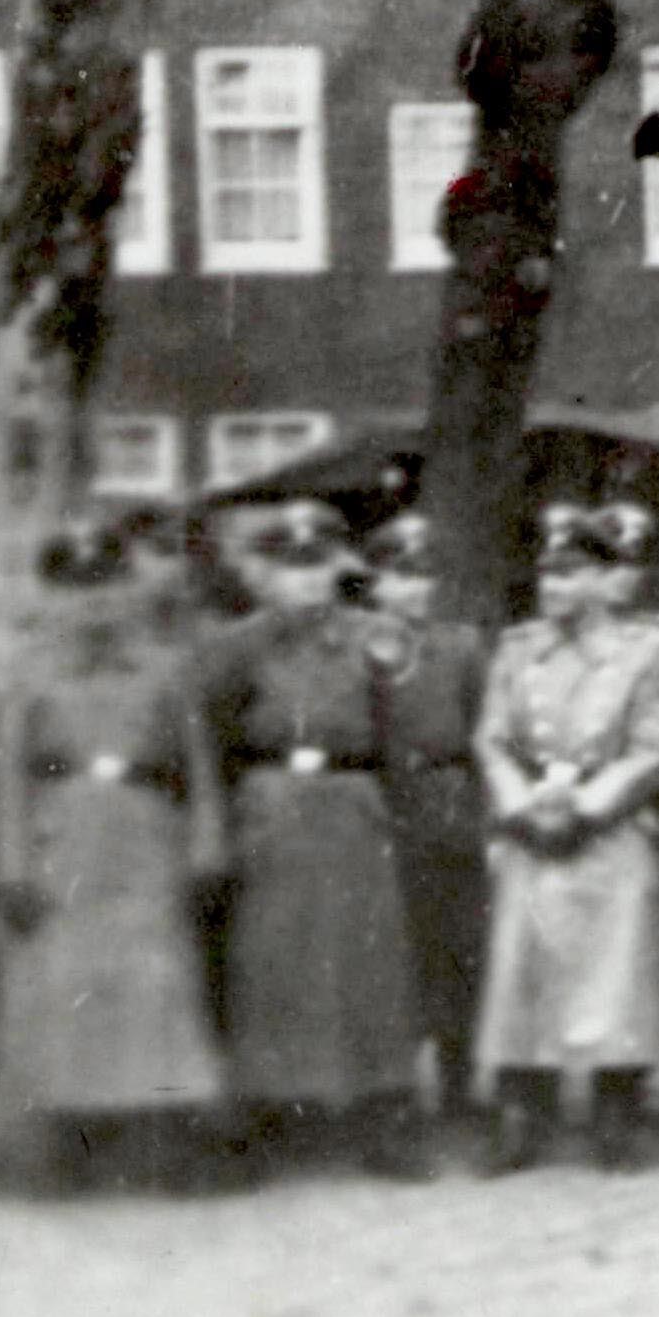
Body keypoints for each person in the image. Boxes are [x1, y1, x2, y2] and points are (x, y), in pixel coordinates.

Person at [186, 500, 432, 1182]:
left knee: (367, 965)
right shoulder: (235, 647)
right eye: (292, 565)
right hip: (271, 808)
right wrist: (220, 828)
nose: (307, 579)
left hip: (353, 806)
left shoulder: (376, 638)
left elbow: (398, 734)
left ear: (338, 567)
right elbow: (209, 740)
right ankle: (263, 1115)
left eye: (319, 563)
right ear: (266, 573)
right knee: (270, 961)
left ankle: (383, 1112)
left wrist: (400, 818)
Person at [0, 524, 225, 1192]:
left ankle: (163, 1136)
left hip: (146, 837)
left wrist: (207, 847)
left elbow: (198, 766)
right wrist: (12, 866)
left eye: (106, 585)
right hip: (63, 839)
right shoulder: (28, 670)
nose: (92, 601)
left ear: (128, 590)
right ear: (51, 596)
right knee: (68, 988)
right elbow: (9, 775)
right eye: (74, 588)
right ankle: (71, 1138)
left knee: (155, 988)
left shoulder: (166, 666)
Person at [473, 508, 659, 1173]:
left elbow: (653, 747)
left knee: (615, 970)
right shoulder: (518, 648)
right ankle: (521, 1108)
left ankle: (615, 1107)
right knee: (523, 968)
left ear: (602, 579)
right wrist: (520, 808)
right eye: (546, 573)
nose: (552, 586)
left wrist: (589, 810)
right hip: (532, 824)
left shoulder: (646, 651)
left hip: (610, 825)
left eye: (568, 573)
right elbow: (492, 738)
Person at [362, 513, 494, 1119]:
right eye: (399, 575)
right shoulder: (360, 645)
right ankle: (393, 1096)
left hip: (449, 805)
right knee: (394, 952)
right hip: (385, 806)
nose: (413, 588)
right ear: (376, 581)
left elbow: (486, 734)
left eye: (423, 575)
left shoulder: (462, 645)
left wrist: (486, 817)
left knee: (459, 948)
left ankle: (459, 1087)